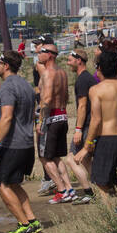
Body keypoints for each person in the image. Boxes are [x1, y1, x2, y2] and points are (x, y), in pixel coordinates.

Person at [0, 51, 42, 233]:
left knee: (2, 184)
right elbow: (35, 113)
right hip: (26, 143)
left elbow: (6, 117)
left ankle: (23, 224)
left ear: (6, 66)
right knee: (14, 183)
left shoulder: (8, 87)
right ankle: (32, 220)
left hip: (13, 144)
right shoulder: (26, 85)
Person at [73, 49, 117, 199]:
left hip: (108, 139)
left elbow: (96, 119)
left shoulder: (96, 90)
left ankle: (109, 222)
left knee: (102, 185)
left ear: (99, 68)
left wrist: (86, 147)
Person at [34, 40, 74, 204]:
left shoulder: (47, 73)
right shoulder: (62, 73)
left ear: (50, 55)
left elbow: (47, 99)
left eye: (41, 52)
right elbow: (66, 96)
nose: (38, 55)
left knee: (45, 157)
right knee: (56, 157)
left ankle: (61, 190)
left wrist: (41, 120)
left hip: (50, 118)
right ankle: (69, 188)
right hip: (62, 116)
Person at [62, 48, 96, 201]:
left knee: (71, 159)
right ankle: (102, 187)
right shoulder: (87, 78)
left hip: (86, 125)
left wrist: (78, 129)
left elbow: (82, 106)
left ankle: (89, 192)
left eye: (70, 59)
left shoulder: (83, 80)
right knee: (87, 159)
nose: (68, 62)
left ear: (79, 61)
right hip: (90, 124)